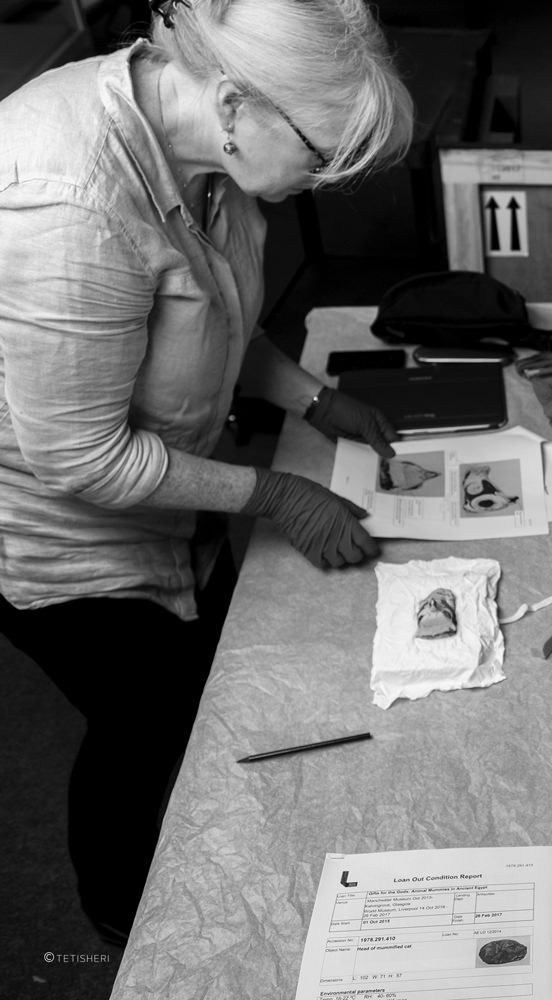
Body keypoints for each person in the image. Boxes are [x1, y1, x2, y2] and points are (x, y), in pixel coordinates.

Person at [0, 0, 413, 944]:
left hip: (167, 496)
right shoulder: (68, 201)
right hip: (57, 540)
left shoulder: (208, 149)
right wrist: (271, 490)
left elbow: (208, 315)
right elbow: (78, 455)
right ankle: (118, 923)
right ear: (238, 103)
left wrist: (310, 397)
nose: (324, 183)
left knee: (207, 690)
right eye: (323, 154)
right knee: (143, 726)